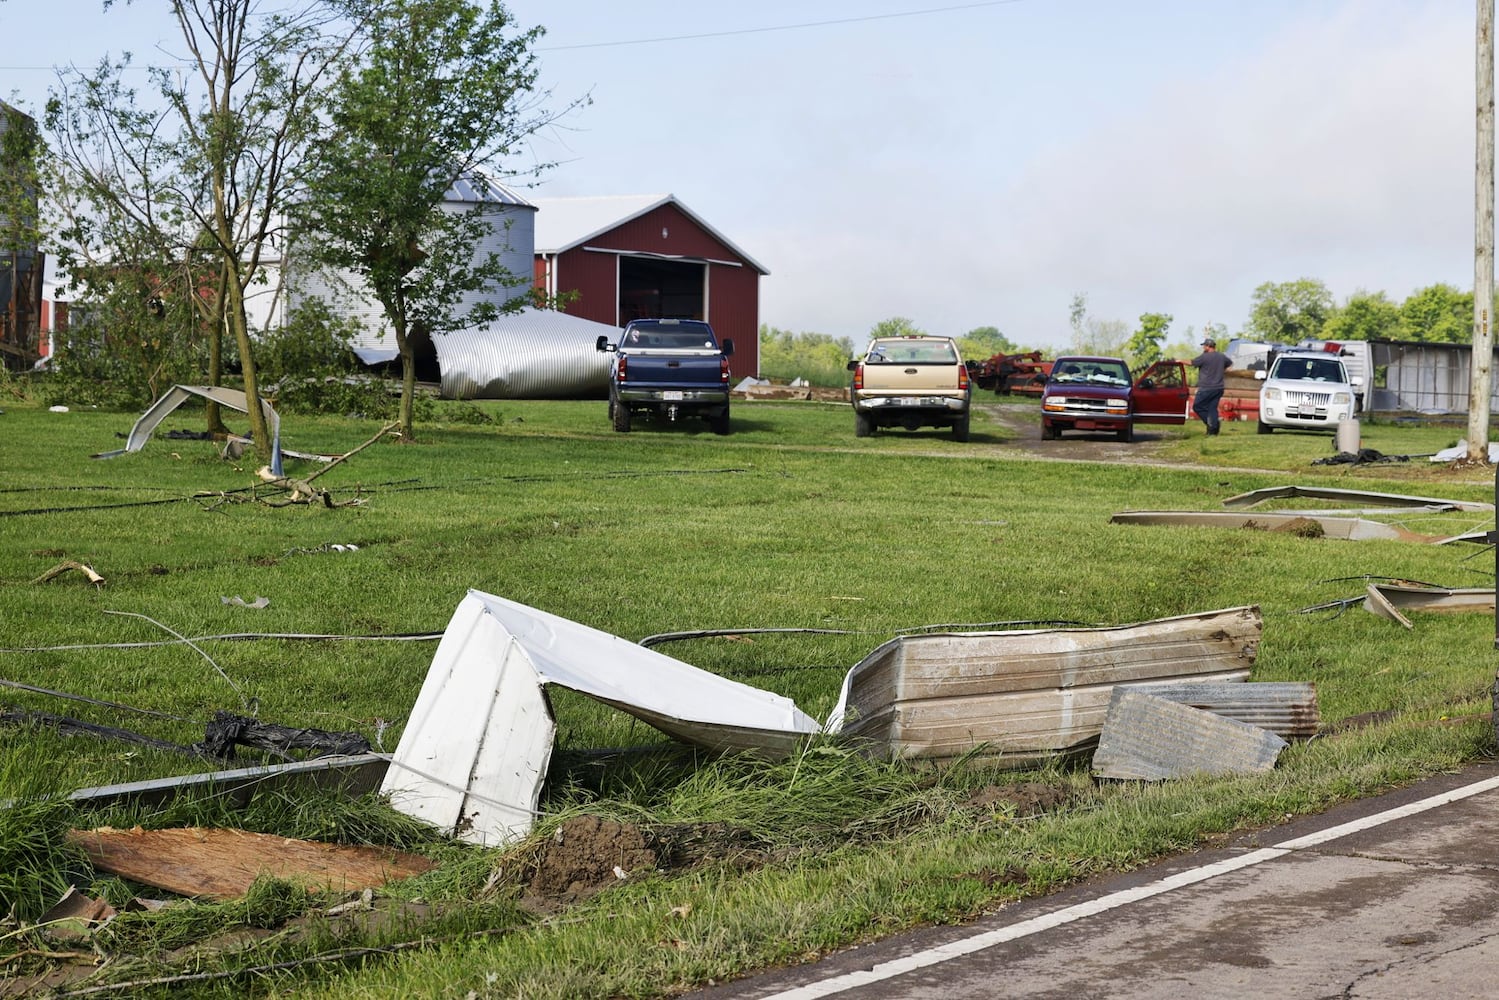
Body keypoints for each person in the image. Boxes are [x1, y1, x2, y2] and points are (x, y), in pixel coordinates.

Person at [1190, 338, 1232, 436]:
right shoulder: (1221, 357)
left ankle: (1212, 425)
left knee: (1198, 406)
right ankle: (1213, 430)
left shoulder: (1205, 357)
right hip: (1219, 388)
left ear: (1208, 346)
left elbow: (1192, 362)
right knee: (1212, 408)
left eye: (1204, 346)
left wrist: (1179, 361)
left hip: (1206, 387)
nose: (1203, 347)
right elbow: (1230, 365)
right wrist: (1222, 370)